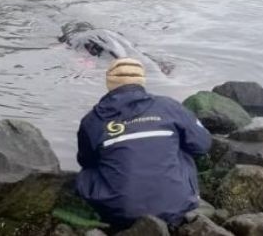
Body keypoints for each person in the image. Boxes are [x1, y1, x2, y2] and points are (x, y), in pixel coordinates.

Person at [75, 58, 211, 230]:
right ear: (142, 81)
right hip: (177, 207)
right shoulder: (169, 106)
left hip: (119, 212)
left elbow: (86, 161)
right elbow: (203, 144)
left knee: (86, 172)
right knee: (183, 147)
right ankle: (175, 195)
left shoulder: (91, 120)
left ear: (109, 82)